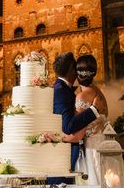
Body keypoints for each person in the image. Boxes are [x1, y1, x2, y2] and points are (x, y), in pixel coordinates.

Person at [51, 52, 99, 182]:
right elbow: (68, 126)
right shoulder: (60, 90)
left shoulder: (64, 89)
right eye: (76, 68)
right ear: (71, 70)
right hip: (64, 157)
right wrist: (93, 111)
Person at [69, 54, 112, 186]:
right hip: (105, 143)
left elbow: (78, 130)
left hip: (91, 148)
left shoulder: (81, 97)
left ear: (77, 74)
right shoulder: (99, 92)